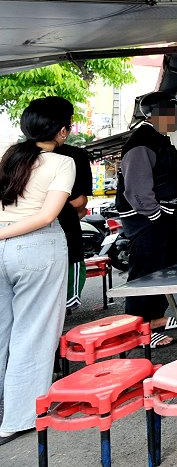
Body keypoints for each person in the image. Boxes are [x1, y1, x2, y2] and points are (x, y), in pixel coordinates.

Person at [0, 99, 75, 445]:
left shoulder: (9, 155)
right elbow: (47, 216)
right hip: (36, 246)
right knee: (33, 332)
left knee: (2, 331)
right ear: (61, 130)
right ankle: (18, 418)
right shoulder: (62, 162)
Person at [115, 91, 177, 348]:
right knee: (146, 272)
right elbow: (136, 188)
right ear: (159, 114)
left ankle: (156, 319)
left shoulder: (159, 139)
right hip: (146, 218)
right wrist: (155, 215)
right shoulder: (142, 141)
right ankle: (138, 330)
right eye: (174, 112)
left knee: (164, 268)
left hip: (161, 217)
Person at [39, 97, 94, 311]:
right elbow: (78, 202)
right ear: (63, 130)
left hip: (13, 244)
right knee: (55, 310)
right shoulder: (69, 158)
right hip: (61, 238)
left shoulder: (13, 156)